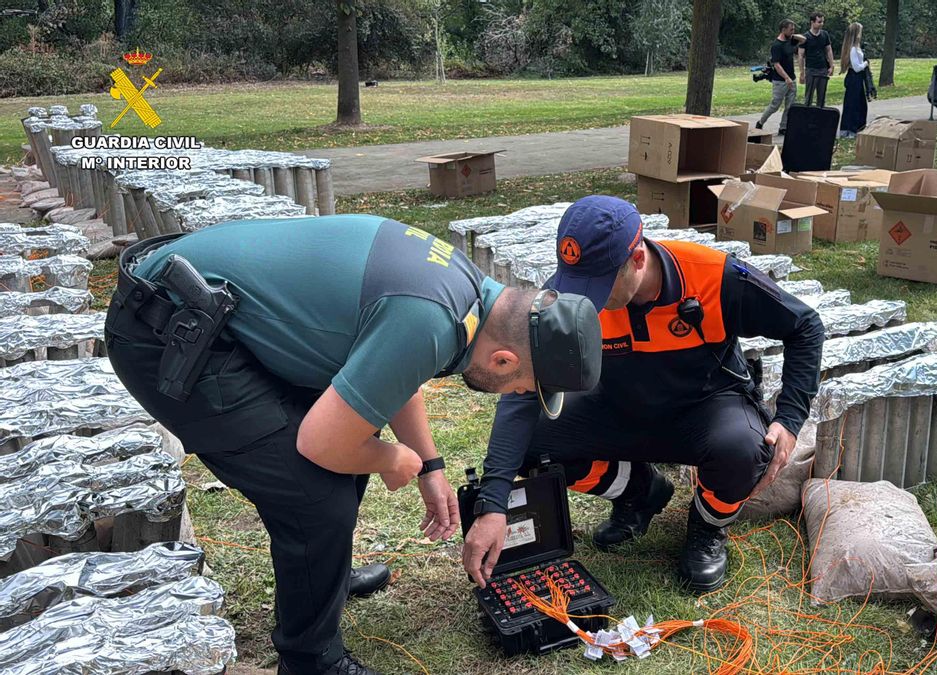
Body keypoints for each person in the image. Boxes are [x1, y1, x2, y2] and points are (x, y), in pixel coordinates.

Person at [104, 215, 601, 675]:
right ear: (502, 361)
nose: (517, 397)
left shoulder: (470, 293)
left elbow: (397, 369)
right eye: (523, 387)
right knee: (315, 493)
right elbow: (322, 442)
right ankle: (310, 661)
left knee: (350, 445)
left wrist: (429, 465)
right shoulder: (430, 319)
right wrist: (392, 457)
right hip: (168, 333)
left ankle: (325, 581)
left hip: (212, 311)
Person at [461, 196, 825, 594]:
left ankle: (707, 526)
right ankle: (640, 493)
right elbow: (524, 394)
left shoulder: (712, 276)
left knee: (744, 449)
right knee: (533, 445)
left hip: (705, 407)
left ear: (637, 258)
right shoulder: (565, 297)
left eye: (598, 286)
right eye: (576, 284)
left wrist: (789, 420)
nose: (585, 301)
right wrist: (494, 501)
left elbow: (805, 326)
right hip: (618, 406)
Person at [756, 19, 804, 135]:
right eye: (791, 29)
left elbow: (804, 40)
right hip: (780, 81)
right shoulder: (776, 46)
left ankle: (783, 127)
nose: (793, 31)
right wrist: (786, 78)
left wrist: (793, 34)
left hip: (792, 78)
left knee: (790, 106)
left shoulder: (791, 41)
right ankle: (760, 122)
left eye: (794, 29)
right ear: (783, 30)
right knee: (775, 105)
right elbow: (776, 64)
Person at [838, 22, 869, 138]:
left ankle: (855, 127)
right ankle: (852, 129)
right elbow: (856, 67)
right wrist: (865, 63)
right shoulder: (853, 50)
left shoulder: (856, 47)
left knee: (857, 103)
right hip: (854, 77)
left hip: (856, 78)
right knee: (854, 104)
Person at [799, 12, 835, 107]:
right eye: (819, 22)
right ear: (812, 22)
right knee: (809, 97)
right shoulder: (805, 37)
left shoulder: (825, 34)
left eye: (822, 22)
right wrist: (802, 73)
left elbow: (828, 50)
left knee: (822, 97)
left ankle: (820, 118)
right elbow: (801, 55)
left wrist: (831, 65)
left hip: (823, 69)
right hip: (811, 69)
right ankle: (807, 117)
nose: (821, 24)